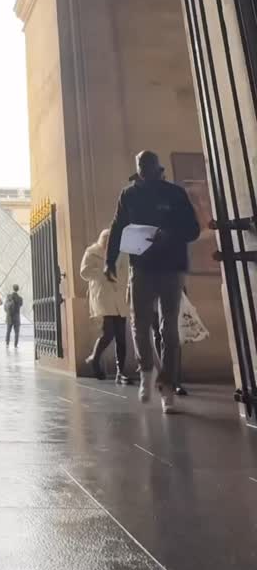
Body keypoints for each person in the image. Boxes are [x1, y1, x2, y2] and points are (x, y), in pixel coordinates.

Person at [105, 150, 200, 413]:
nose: (143, 173)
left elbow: (193, 230)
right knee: (139, 325)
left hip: (170, 268)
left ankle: (167, 388)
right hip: (141, 267)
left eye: (147, 168)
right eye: (140, 168)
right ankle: (147, 370)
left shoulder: (175, 194)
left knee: (168, 329)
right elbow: (117, 227)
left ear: (157, 169)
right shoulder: (129, 195)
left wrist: (169, 234)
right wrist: (109, 260)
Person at [81, 229, 133, 383]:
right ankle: (95, 358)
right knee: (108, 333)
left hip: (120, 297)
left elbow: (127, 272)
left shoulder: (122, 253)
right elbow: (84, 272)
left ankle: (120, 372)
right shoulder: (92, 252)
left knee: (121, 336)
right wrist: (103, 272)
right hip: (103, 297)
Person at [5, 284, 23, 348]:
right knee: (16, 332)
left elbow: (5, 308)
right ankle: (15, 345)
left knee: (8, 331)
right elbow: (21, 305)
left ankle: (7, 344)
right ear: (18, 289)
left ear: (13, 288)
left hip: (9, 317)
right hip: (16, 317)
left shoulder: (8, 297)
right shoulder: (20, 298)